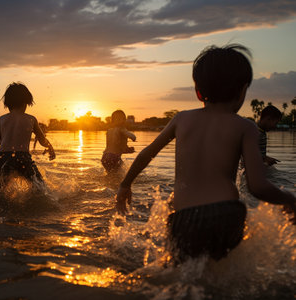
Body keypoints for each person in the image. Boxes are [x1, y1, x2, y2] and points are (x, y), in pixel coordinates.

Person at [115, 44, 296, 264]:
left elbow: (146, 154)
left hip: (183, 218)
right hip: (228, 214)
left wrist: (125, 185)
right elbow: (257, 186)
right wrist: (289, 200)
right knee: (221, 273)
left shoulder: (181, 120)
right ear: (242, 91)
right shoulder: (246, 127)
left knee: (179, 274)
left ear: (198, 92)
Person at [0, 82, 55, 187]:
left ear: (7, 104)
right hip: (23, 158)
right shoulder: (31, 119)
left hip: (4, 158)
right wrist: (50, 148)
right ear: (26, 102)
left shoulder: (2, 119)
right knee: (40, 186)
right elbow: (42, 140)